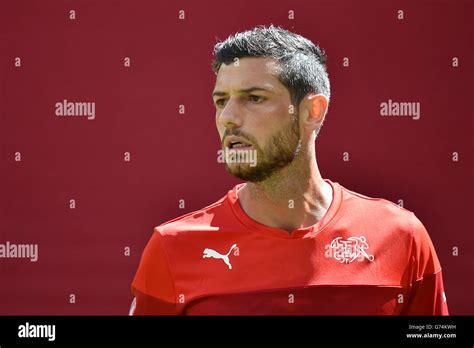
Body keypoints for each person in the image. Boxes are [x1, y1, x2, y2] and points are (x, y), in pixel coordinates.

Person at [129, 25, 449, 315]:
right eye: (220, 101)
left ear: (312, 111)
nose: (228, 117)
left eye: (254, 98)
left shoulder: (402, 236)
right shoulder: (172, 248)